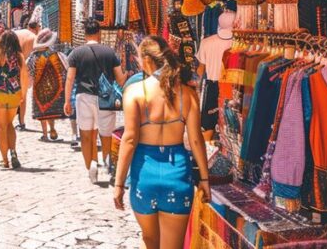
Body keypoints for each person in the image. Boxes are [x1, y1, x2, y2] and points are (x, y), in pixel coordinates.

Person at [113, 36, 210, 249]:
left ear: (147, 60)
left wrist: (118, 183)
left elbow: (129, 140)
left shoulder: (135, 92)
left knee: (150, 241)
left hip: (144, 175)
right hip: (177, 176)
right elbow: (196, 140)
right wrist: (205, 178)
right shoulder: (188, 94)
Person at [64, 19, 126, 184]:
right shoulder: (109, 52)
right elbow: (120, 79)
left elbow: (70, 79)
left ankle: (91, 166)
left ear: (85, 34)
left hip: (83, 96)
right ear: (99, 33)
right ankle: (107, 165)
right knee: (106, 134)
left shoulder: (76, 53)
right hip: (105, 97)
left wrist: (66, 101)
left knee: (86, 134)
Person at [0, 31, 29, 169]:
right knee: (10, 124)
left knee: (1, 127)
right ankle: (13, 152)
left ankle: (5, 160)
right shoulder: (19, 56)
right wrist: (23, 95)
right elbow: (24, 76)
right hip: (14, 94)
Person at [26, 29, 68, 142]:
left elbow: (29, 70)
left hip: (39, 86)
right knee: (50, 108)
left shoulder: (33, 56)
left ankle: (45, 133)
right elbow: (64, 69)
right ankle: (52, 129)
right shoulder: (56, 55)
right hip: (53, 86)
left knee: (42, 109)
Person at [12, 20, 40, 131]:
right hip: (26, 69)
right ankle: (22, 122)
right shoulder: (34, 37)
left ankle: (11, 116)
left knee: (13, 93)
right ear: (36, 27)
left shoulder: (16, 34)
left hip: (14, 67)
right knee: (23, 96)